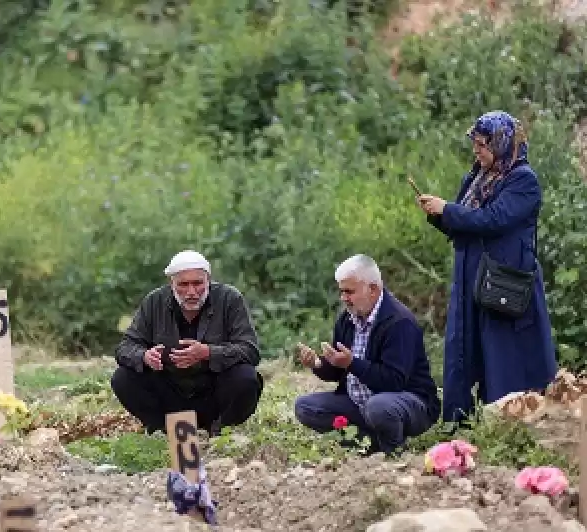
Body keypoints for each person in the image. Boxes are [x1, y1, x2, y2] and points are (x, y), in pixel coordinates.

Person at [416, 110, 558, 423]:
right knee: (466, 348)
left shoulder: (523, 181)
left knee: (503, 352)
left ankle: (511, 422)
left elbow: (493, 220)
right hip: (471, 279)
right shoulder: (477, 177)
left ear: (503, 143)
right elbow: (462, 226)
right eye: (476, 144)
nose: (477, 151)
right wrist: (438, 214)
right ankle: (462, 421)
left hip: (503, 282)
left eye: (483, 145)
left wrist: (448, 210)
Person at [294, 254, 441, 455]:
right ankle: (371, 445)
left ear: (372, 289)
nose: (344, 298)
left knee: (379, 407)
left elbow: (394, 381)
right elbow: (339, 372)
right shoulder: (347, 319)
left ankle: (393, 449)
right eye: (341, 292)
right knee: (305, 407)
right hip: (359, 403)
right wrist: (318, 363)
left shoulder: (399, 322)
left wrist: (352, 363)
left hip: (408, 404)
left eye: (349, 291)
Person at [111, 250, 264, 436]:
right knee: (123, 378)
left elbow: (250, 350)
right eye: (183, 284)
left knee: (246, 377)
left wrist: (208, 353)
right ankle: (165, 431)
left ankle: (220, 431)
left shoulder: (229, 299)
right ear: (172, 284)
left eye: (197, 283)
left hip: (214, 393)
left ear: (208, 280)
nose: (191, 292)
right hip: (170, 393)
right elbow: (125, 348)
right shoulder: (154, 302)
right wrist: (144, 356)